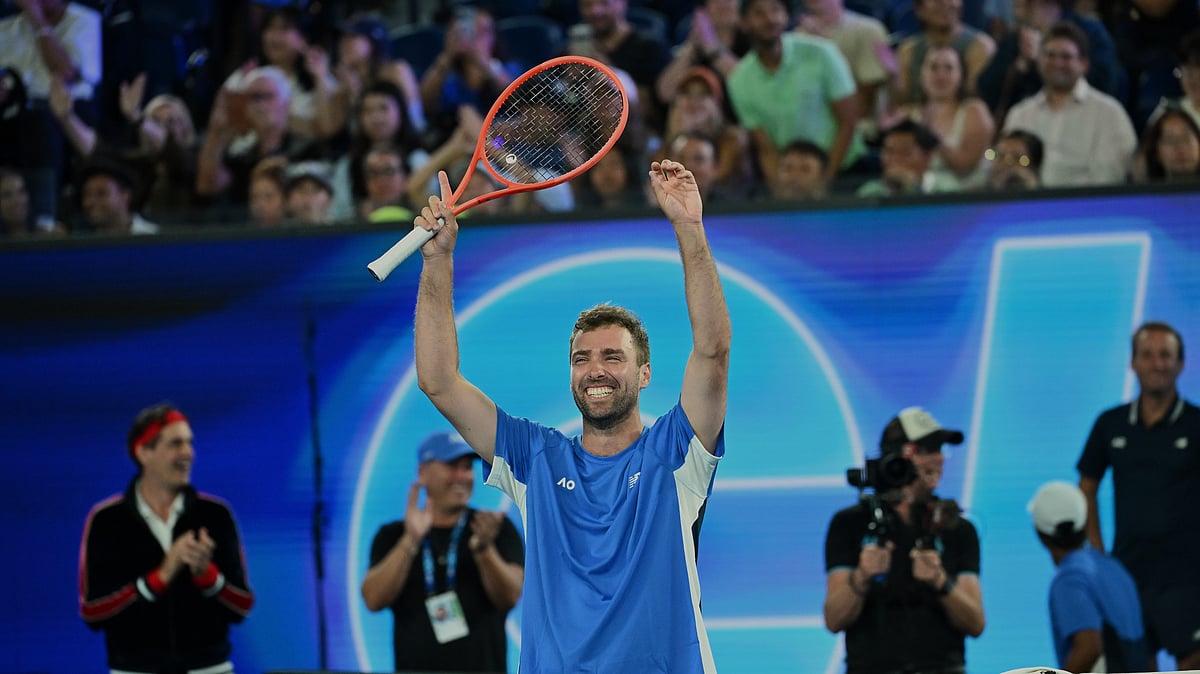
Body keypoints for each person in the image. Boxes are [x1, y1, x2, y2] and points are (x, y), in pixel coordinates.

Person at [409, 157, 731, 671]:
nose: (595, 370)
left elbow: (713, 352)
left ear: (644, 374)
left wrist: (690, 230)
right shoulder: (535, 456)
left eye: (612, 357)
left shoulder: (676, 453)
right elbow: (438, 381)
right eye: (582, 358)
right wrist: (437, 262)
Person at [78, 403, 254, 673]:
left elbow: (242, 606)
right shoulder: (107, 520)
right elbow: (93, 612)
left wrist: (208, 576)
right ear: (143, 452)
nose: (188, 453)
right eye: (175, 444)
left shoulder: (216, 515)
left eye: (189, 443)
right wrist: (158, 578)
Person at [824, 407, 985, 674]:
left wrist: (940, 581)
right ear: (898, 456)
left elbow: (976, 622)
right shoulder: (850, 523)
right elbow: (833, 619)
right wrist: (863, 576)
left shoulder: (957, 528)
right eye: (927, 450)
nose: (939, 459)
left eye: (940, 450)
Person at [1077, 321, 1200, 670]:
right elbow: (1086, 485)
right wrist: (1098, 557)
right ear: (1132, 363)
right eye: (1148, 355)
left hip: (1189, 579)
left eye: (1166, 355)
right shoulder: (1109, 424)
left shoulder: (1196, 424)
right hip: (1127, 576)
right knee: (1131, 665)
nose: (1157, 363)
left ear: (1181, 364)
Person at [361, 431, 524, 673]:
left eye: (467, 467)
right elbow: (373, 599)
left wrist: (484, 550)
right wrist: (410, 541)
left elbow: (510, 597)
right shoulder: (393, 534)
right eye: (452, 466)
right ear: (423, 473)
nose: (462, 476)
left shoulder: (492, 529)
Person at [728, 0, 865, 180]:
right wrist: (782, 193)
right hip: (793, 179)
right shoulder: (739, 79)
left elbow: (848, 121)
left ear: (786, 16)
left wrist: (826, 179)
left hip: (847, 169)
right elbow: (766, 148)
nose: (770, 18)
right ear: (744, 22)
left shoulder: (822, 53)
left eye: (776, 10)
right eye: (759, 13)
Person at [1028, 480, 1147, 673]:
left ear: (1040, 534)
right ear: (1084, 522)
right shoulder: (1113, 568)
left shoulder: (1070, 580)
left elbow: (1089, 647)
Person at [1002, 22, 1137, 187]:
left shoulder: (1109, 113)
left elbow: (1108, 177)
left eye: (1066, 57)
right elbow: (1008, 170)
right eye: (1050, 55)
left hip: (1088, 208)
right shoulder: (1020, 114)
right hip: (1029, 207)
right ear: (1039, 61)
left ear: (1084, 64)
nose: (1057, 63)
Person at [78, 160, 159, 235]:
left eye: (101, 194)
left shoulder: (155, 238)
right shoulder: (82, 245)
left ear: (125, 195)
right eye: (87, 194)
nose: (89, 202)